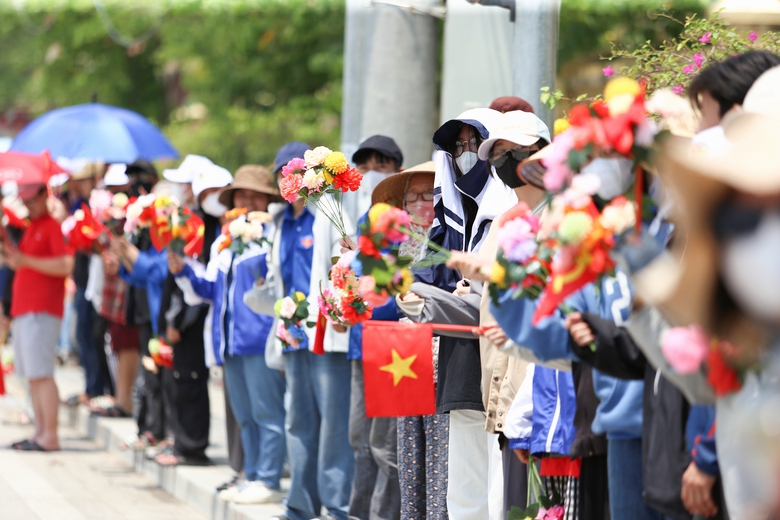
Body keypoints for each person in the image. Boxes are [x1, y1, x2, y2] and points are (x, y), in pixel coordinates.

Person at [170, 165, 286, 505]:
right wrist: (183, 271)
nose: (247, 202)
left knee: (268, 413)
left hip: (260, 337)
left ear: (268, 200)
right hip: (229, 341)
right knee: (244, 414)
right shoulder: (224, 240)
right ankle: (249, 473)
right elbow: (210, 289)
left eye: (255, 196)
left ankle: (268, 478)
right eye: (241, 195)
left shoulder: (275, 234)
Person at [267, 141, 354, 520]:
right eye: (282, 174)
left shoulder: (331, 212)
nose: (289, 180)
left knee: (334, 423)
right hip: (293, 330)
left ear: (310, 176)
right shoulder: (280, 222)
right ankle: (299, 505)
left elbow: (346, 268)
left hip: (326, 332)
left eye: (295, 172)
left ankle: (337, 507)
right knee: (297, 420)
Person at [345, 135, 404, 520]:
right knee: (358, 437)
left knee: (385, 444)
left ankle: (384, 514)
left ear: (396, 172)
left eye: (380, 166)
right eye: (364, 167)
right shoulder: (359, 221)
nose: (371, 174)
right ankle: (358, 511)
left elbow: (399, 286)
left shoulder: (402, 222)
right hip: (360, 341)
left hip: (393, 343)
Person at [8, 183, 74, 451]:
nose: (27, 206)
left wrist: (26, 261)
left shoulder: (52, 225)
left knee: (41, 373)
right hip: (25, 309)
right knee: (32, 375)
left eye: (31, 201)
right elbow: (21, 261)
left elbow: (66, 265)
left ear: (44, 196)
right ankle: (39, 432)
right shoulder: (32, 226)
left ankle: (50, 435)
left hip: (42, 309)